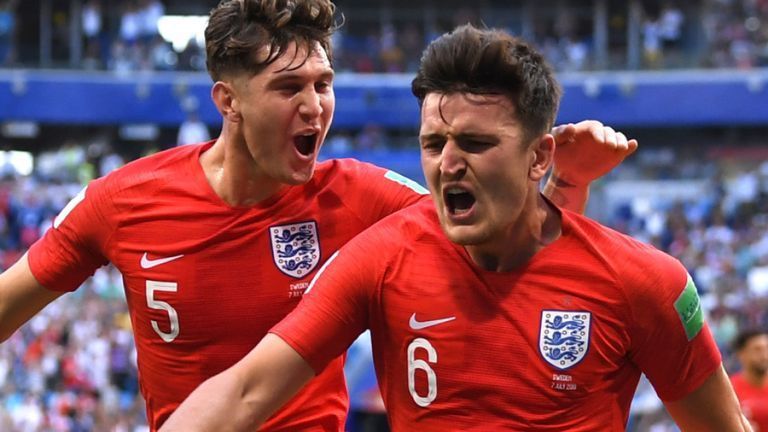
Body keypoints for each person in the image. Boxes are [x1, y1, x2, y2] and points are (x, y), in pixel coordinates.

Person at [0, 0, 635, 429]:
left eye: (322, 84)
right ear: (228, 101)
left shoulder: (359, 195)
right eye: (287, 88)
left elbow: (515, 251)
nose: (314, 108)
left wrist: (566, 182)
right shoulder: (125, 200)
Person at [160, 24, 749, 432]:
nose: (447, 165)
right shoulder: (381, 259)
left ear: (538, 157)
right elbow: (245, 393)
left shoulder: (645, 281)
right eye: (434, 143)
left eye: (474, 143)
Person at [731, 329, 768, 431]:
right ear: (741, 354)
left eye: (766, 348)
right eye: (757, 349)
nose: (764, 355)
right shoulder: (730, 390)